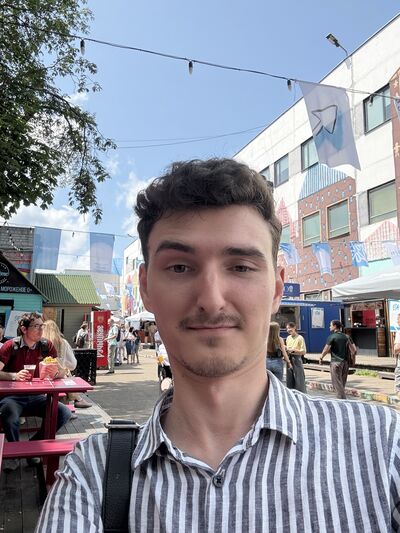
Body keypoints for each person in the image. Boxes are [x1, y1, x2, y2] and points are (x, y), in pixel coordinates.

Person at [37, 158, 400, 532]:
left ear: (276, 288)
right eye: (180, 267)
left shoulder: (384, 445)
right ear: (145, 287)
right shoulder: (92, 477)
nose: (211, 300)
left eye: (241, 267)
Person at [0, 312, 71, 472]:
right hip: (13, 397)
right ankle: (14, 454)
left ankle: (33, 445)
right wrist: (14, 376)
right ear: (24, 329)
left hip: (37, 395)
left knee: (64, 413)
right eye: (36, 326)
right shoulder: (10, 346)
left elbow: (61, 371)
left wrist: (56, 372)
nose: (41, 329)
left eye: (42, 325)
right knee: (9, 412)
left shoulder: (46, 346)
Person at [42, 320, 92, 409]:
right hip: (59, 380)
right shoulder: (62, 343)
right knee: (66, 377)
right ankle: (77, 400)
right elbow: (72, 365)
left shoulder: (38, 343)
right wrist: (63, 364)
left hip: (41, 380)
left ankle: (77, 400)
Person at [319, 320, 349, 399]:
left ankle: (342, 400)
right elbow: (354, 349)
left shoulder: (332, 337)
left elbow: (326, 349)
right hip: (345, 363)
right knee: (342, 383)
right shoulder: (346, 336)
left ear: (335, 326)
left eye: (330, 325)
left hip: (335, 362)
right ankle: (341, 398)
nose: (329, 327)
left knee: (337, 383)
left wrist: (321, 357)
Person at [285, 322, 307, 393]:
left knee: (299, 378)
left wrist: (293, 350)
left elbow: (303, 351)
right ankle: (291, 393)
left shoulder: (300, 338)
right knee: (289, 378)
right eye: (287, 328)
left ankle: (301, 393)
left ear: (294, 328)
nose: (288, 330)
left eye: (289, 328)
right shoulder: (288, 338)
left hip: (297, 358)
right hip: (289, 358)